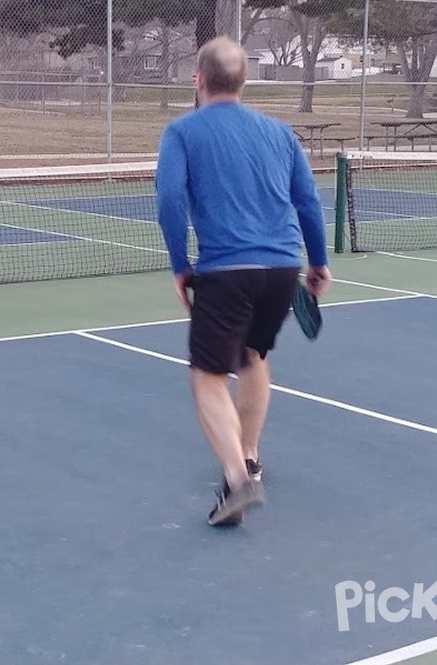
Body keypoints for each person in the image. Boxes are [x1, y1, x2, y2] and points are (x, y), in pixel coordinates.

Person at [155, 36, 332, 528]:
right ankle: (249, 454)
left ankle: (237, 480)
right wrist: (317, 263)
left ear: (199, 80)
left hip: (226, 271)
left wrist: (178, 265)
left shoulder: (182, 132)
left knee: (208, 376)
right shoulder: (279, 133)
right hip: (281, 270)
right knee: (254, 357)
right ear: (243, 80)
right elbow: (309, 202)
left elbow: (170, 200)